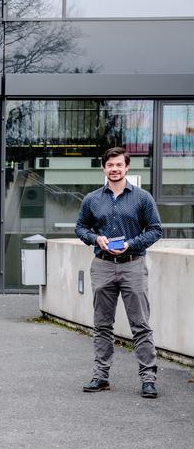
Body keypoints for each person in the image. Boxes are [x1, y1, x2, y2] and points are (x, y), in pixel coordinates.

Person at [75, 147, 162, 398]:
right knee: (102, 324)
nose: (114, 169)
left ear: (127, 168)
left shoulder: (142, 198)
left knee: (141, 325)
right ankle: (101, 376)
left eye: (119, 165)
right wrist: (95, 239)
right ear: (104, 168)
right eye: (110, 165)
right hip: (102, 265)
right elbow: (80, 228)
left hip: (133, 264)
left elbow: (156, 230)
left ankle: (148, 379)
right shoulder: (92, 199)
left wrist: (130, 244)